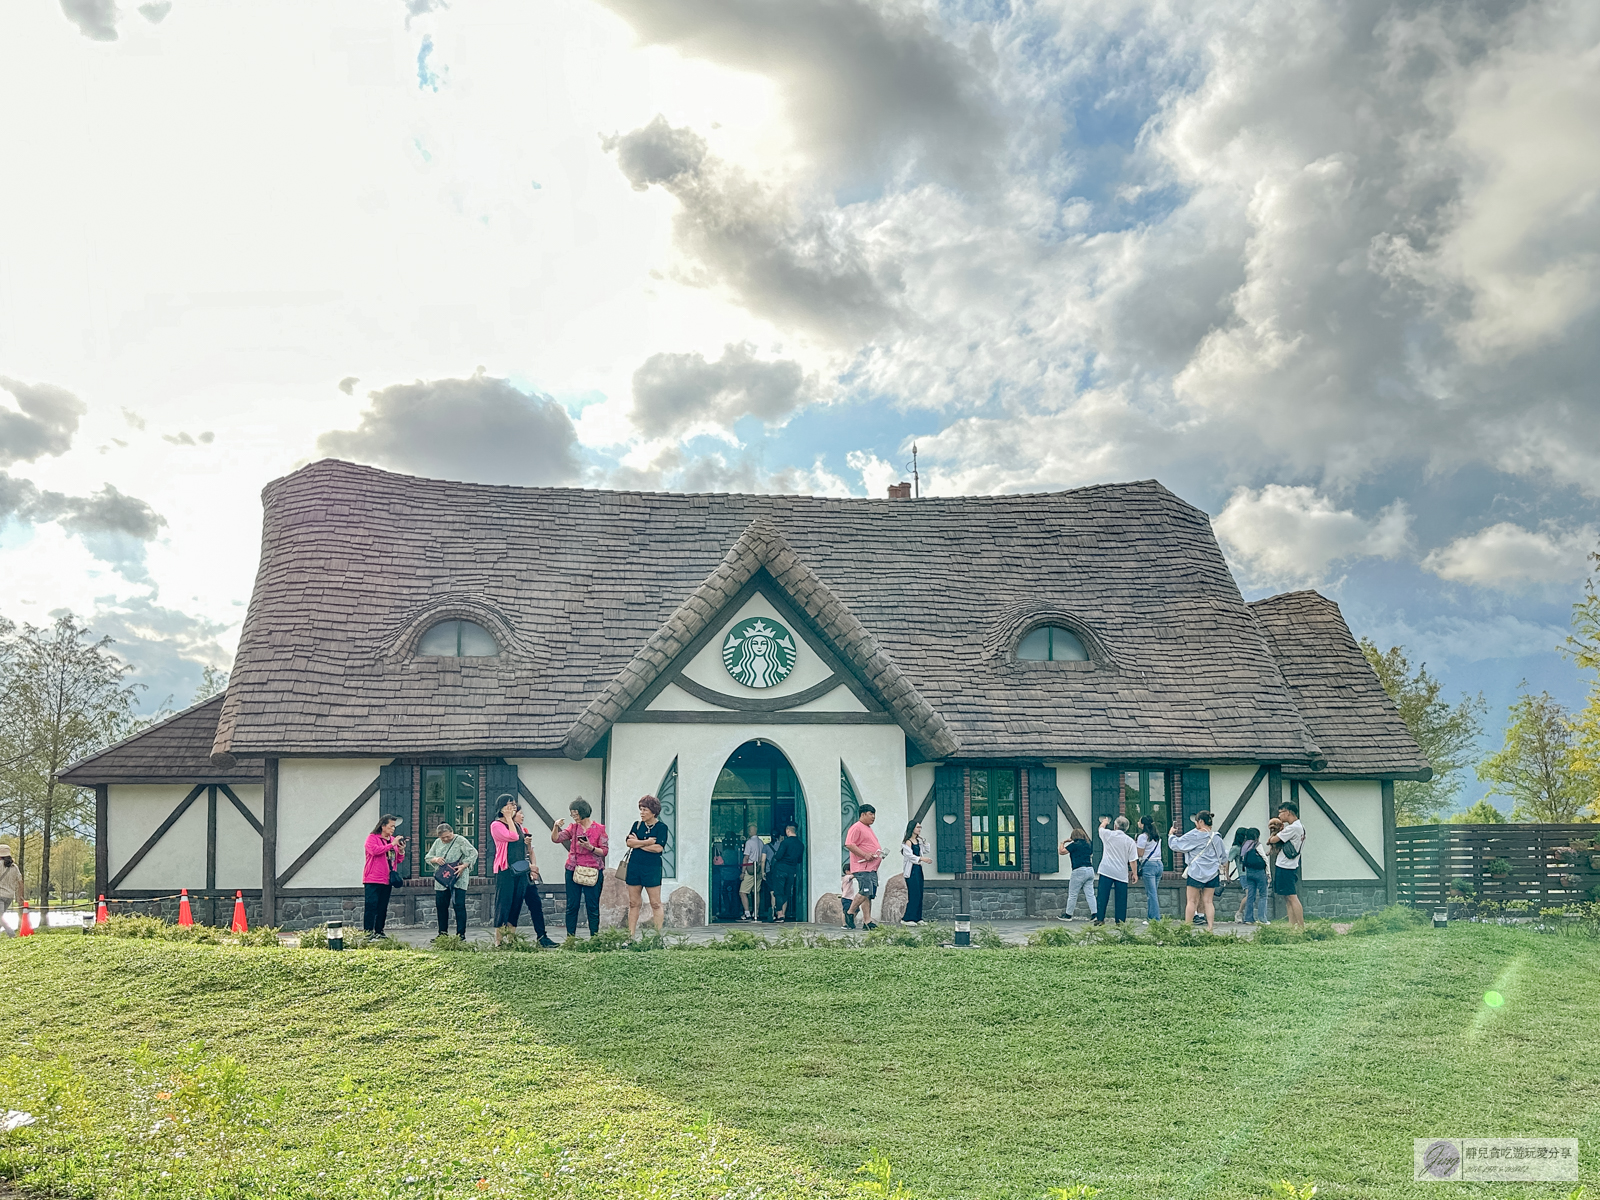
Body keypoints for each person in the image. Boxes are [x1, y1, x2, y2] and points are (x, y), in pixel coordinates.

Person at [491, 796, 555, 947]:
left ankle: (511, 940)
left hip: (520, 871)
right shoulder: (496, 825)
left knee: (516, 904)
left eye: (513, 805)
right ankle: (498, 942)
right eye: (510, 804)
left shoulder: (518, 826)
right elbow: (512, 837)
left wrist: (527, 846)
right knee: (503, 903)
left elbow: (523, 846)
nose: (513, 807)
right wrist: (507, 817)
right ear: (502, 807)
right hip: (505, 870)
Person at [554, 797, 608, 939]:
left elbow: (604, 851)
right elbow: (556, 839)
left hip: (593, 870)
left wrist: (590, 847)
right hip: (573, 868)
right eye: (572, 814)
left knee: (592, 906)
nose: (574, 816)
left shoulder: (599, 829)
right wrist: (555, 827)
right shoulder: (573, 827)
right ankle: (570, 938)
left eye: (575, 813)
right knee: (572, 905)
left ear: (583, 812)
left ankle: (594, 938)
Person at [1168, 810, 1224, 931]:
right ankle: (1210, 927)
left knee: (1191, 901)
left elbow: (1176, 845)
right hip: (1212, 873)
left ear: (1201, 821)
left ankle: (1187, 927)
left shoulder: (1194, 835)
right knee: (1208, 901)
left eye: (1196, 822)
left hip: (1196, 872)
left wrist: (1171, 835)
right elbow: (1223, 857)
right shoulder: (1217, 837)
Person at [624, 795, 669, 936]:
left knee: (655, 903)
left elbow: (658, 848)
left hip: (652, 868)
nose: (642, 813)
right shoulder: (637, 825)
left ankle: (657, 936)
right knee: (633, 903)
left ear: (653, 811)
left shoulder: (662, 827)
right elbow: (629, 843)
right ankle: (630, 936)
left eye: (645, 810)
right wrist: (647, 842)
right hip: (634, 866)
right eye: (641, 809)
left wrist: (639, 843)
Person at [426, 821, 479, 938]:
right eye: (442, 837)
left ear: (452, 832)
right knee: (441, 906)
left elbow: (473, 853)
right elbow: (428, 857)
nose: (445, 839)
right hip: (442, 880)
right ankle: (442, 934)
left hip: (458, 878)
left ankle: (461, 934)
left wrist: (464, 865)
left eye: (448, 836)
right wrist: (436, 859)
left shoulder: (460, 840)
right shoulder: (437, 842)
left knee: (459, 905)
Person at [844, 803, 887, 930]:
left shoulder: (868, 828)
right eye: (870, 814)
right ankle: (850, 912)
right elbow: (849, 844)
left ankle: (867, 921)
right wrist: (864, 854)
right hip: (862, 866)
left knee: (869, 894)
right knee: (865, 890)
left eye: (874, 814)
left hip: (871, 867)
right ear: (863, 814)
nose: (873, 817)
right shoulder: (856, 827)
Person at [362, 814, 405, 937]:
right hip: (373, 878)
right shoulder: (372, 838)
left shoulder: (392, 840)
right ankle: (368, 932)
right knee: (371, 906)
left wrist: (401, 851)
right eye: (391, 826)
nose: (393, 829)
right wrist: (392, 845)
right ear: (383, 826)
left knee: (382, 907)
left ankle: (379, 931)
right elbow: (375, 851)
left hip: (387, 879)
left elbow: (397, 860)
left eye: (394, 827)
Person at [1092, 815, 1138, 926]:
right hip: (1121, 872)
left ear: (1115, 826)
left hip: (1106, 869)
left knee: (1102, 896)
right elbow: (1133, 860)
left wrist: (1104, 822)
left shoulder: (1108, 835)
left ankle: (1100, 919)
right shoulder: (1130, 841)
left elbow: (1100, 829)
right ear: (1126, 828)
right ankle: (1120, 921)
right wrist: (1135, 874)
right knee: (1121, 898)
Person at [1268, 800, 1307, 929]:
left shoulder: (1292, 828)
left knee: (1292, 896)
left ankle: (1300, 926)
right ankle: (1292, 925)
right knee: (1288, 898)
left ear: (1288, 812)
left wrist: (1276, 833)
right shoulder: (1300, 827)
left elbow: (1273, 839)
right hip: (1291, 865)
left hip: (1285, 865)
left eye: (1281, 813)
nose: (1279, 816)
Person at [1056, 827, 1097, 921]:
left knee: (1073, 894)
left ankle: (1068, 915)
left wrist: (1063, 842)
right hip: (1090, 870)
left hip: (1079, 870)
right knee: (1090, 894)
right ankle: (1095, 914)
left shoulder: (1074, 845)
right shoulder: (1088, 844)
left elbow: (1061, 852)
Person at [769, 822, 805, 922]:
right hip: (791, 870)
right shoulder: (800, 844)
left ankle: (780, 914)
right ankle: (783, 914)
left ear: (787, 831)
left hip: (780, 870)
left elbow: (778, 856)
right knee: (786, 892)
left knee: (778, 892)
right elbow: (799, 860)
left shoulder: (785, 843)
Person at [899, 821, 932, 925]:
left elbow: (926, 850)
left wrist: (924, 842)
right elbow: (910, 856)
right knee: (914, 893)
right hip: (911, 870)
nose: (919, 829)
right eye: (917, 827)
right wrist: (922, 859)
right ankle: (908, 918)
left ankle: (918, 917)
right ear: (912, 828)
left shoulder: (918, 841)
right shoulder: (907, 842)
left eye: (920, 827)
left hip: (918, 869)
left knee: (920, 893)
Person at [1135, 814, 1164, 922]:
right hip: (1158, 864)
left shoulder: (1143, 836)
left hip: (1149, 865)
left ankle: (1155, 919)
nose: (1138, 823)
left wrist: (1135, 844)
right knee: (1153, 892)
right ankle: (1151, 917)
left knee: (1151, 894)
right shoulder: (1157, 836)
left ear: (1143, 824)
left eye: (1139, 821)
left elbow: (1140, 853)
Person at [1238, 826, 1269, 925]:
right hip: (1259, 872)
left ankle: (1248, 918)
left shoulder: (1244, 845)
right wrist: (1268, 873)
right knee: (1263, 895)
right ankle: (1262, 919)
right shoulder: (1257, 844)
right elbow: (1264, 858)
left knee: (1250, 896)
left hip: (1249, 872)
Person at [738, 823, 766, 921]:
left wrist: (742, 871)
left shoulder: (749, 842)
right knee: (756, 892)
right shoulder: (761, 842)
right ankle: (756, 912)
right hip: (758, 869)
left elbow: (746, 857)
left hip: (750, 869)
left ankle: (747, 913)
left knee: (742, 892)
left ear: (750, 832)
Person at [0, 846, 20, 937]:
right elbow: (20, 881)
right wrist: (20, 895)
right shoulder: (15, 867)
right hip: (10, 896)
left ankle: (11, 933)